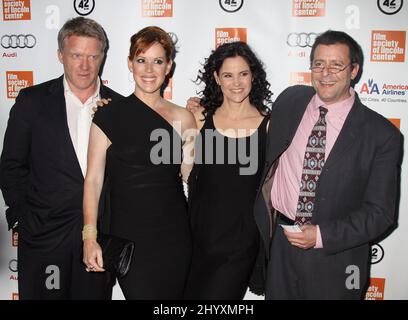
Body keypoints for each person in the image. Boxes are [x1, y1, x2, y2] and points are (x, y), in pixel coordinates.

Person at [252, 30, 402, 299]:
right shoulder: (290, 101)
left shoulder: (382, 135)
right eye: (319, 64)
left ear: (354, 70)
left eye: (336, 65)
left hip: (338, 260)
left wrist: (320, 235)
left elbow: (381, 214)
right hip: (281, 248)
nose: (325, 73)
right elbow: (250, 121)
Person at [0, 17, 122, 299]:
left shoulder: (118, 107)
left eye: (93, 56)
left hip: (98, 239)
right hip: (43, 237)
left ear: (102, 57)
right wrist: (24, 217)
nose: (85, 65)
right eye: (76, 55)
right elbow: (11, 165)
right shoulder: (33, 101)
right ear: (60, 56)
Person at [82, 26, 196, 299]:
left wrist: (206, 122)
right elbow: (93, 181)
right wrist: (89, 236)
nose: (149, 69)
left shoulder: (184, 119)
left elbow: (192, 179)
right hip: (129, 238)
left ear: (169, 66)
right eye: (141, 60)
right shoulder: (108, 116)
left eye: (158, 61)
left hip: (174, 235)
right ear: (130, 63)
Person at [184, 41, 273, 299]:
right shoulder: (200, 119)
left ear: (253, 76)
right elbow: (186, 174)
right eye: (228, 75)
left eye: (243, 74)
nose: (236, 82)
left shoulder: (268, 126)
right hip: (197, 239)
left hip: (240, 245)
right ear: (216, 78)